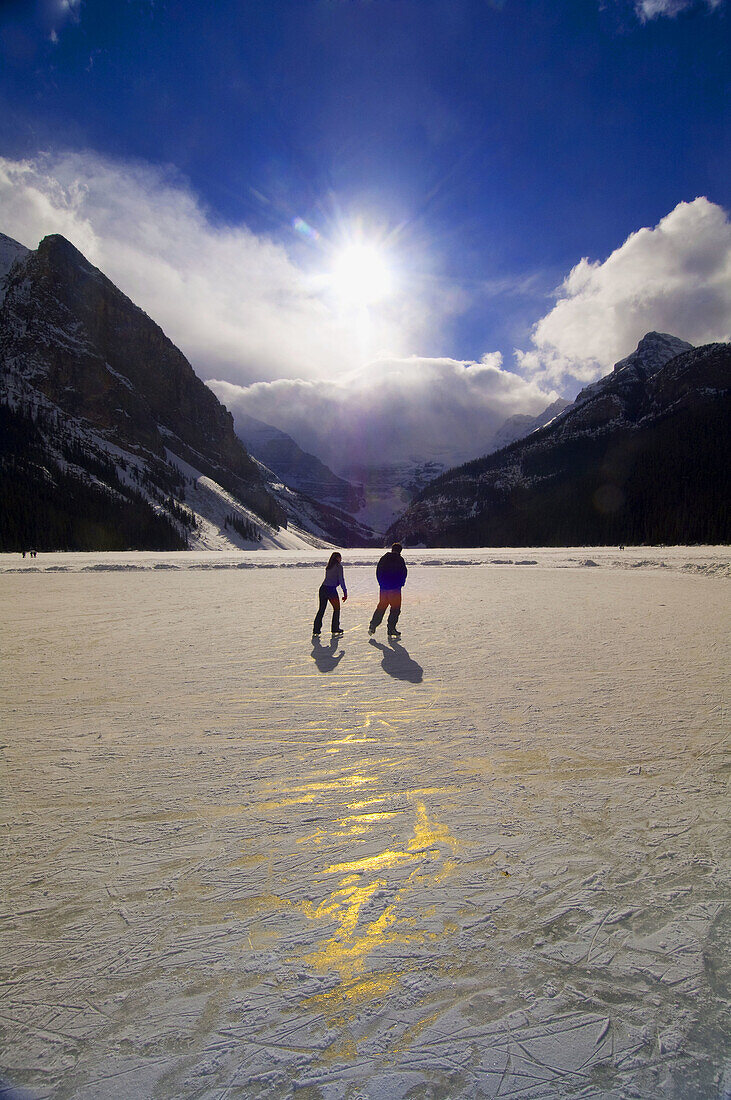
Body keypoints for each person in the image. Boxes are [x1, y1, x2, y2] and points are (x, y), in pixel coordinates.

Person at [369, 543, 407, 638]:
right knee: (395, 609)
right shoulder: (400, 560)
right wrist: (400, 584)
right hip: (395, 589)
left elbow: (378, 571)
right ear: (400, 551)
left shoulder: (384, 558)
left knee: (381, 606)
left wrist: (381, 584)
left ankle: (373, 625)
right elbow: (404, 573)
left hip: (384, 588)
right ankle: (391, 629)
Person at [312, 551, 348, 636]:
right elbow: (341, 579)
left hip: (323, 588)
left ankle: (316, 630)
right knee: (336, 609)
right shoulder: (339, 567)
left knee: (321, 609)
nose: (341, 559)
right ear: (337, 558)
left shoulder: (328, 566)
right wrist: (345, 591)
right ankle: (335, 628)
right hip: (331, 590)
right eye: (340, 557)